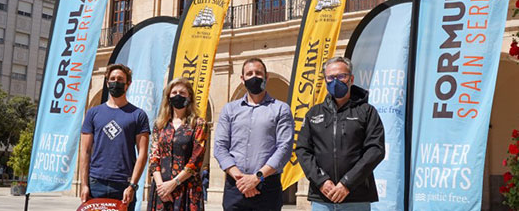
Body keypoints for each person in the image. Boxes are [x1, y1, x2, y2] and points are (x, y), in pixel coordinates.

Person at [295, 56, 385, 211]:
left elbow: (375, 150)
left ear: (351, 78)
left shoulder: (367, 111)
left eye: (341, 76)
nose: (335, 81)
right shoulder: (313, 113)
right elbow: (303, 150)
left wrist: (347, 183)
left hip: (356, 198)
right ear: (325, 81)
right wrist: (322, 181)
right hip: (322, 198)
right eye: (330, 77)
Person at [214, 58, 294, 211]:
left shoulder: (281, 109)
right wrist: (242, 180)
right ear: (242, 79)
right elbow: (220, 147)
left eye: (258, 73)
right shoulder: (229, 110)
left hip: (267, 186)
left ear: (266, 77)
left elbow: (284, 149)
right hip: (235, 186)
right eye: (249, 74)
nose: (254, 77)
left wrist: (257, 177)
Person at [80, 64, 150, 211]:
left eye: (120, 79)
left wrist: (133, 185)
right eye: (112, 79)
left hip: (123, 186)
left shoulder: (138, 115)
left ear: (128, 84)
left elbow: (142, 153)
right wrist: (84, 185)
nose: (115, 82)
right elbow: (85, 151)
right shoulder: (93, 113)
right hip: (95, 183)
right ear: (107, 83)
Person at [148, 77, 208, 211]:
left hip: (187, 189)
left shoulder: (198, 124)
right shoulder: (160, 125)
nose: (178, 96)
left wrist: (173, 184)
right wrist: (161, 187)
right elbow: (153, 157)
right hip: (161, 189)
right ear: (168, 97)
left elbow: (196, 160)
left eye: (182, 93)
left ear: (189, 97)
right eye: (174, 93)